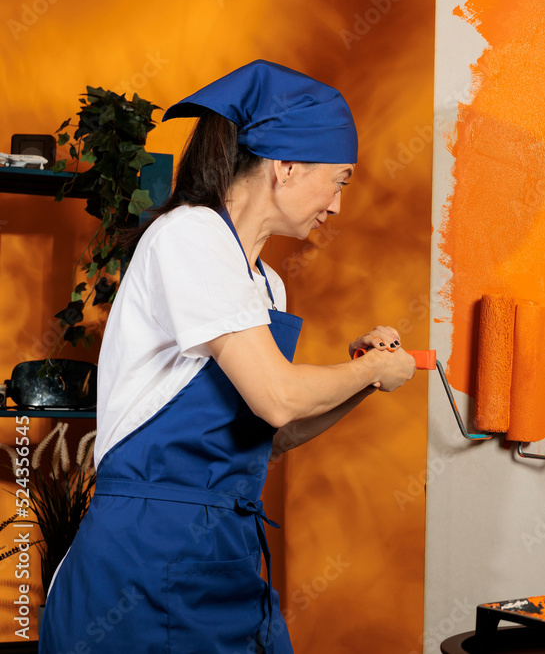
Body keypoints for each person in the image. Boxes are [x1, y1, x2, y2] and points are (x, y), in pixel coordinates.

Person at [39, 60, 416, 653]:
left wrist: (363, 381)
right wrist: (370, 368)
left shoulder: (266, 282)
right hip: (146, 555)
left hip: (220, 550)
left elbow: (276, 427)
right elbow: (279, 393)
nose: (338, 205)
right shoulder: (190, 236)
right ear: (286, 167)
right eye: (339, 180)